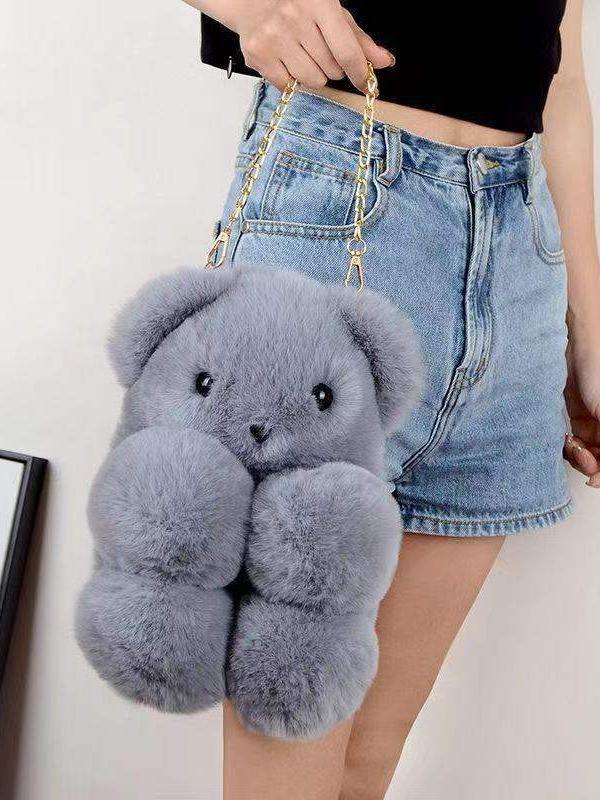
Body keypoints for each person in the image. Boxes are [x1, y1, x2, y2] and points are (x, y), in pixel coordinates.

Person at [186, 1, 600, 798]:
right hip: (335, 204)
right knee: (293, 730)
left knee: (366, 759)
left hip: (519, 268)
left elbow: (565, 80)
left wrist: (587, 338)